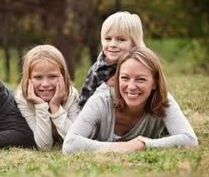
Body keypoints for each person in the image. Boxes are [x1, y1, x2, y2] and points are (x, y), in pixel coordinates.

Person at [63, 46, 198, 154]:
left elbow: (190, 140)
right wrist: (123, 147)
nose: (131, 87)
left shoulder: (162, 100)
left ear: (155, 83)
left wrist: (144, 144)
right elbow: (70, 144)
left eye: (141, 79)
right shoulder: (101, 100)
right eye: (125, 78)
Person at [15, 45, 80, 149]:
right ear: (28, 78)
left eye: (52, 76)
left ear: (63, 75)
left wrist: (55, 106)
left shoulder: (71, 94)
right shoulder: (23, 98)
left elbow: (76, 140)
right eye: (38, 77)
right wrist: (40, 106)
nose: (45, 84)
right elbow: (45, 146)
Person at [78, 11, 145, 108]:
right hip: (104, 119)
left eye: (121, 39)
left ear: (134, 43)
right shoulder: (97, 70)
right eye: (108, 39)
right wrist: (104, 88)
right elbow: (84, 105)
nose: (112, 45)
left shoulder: (144, 66)